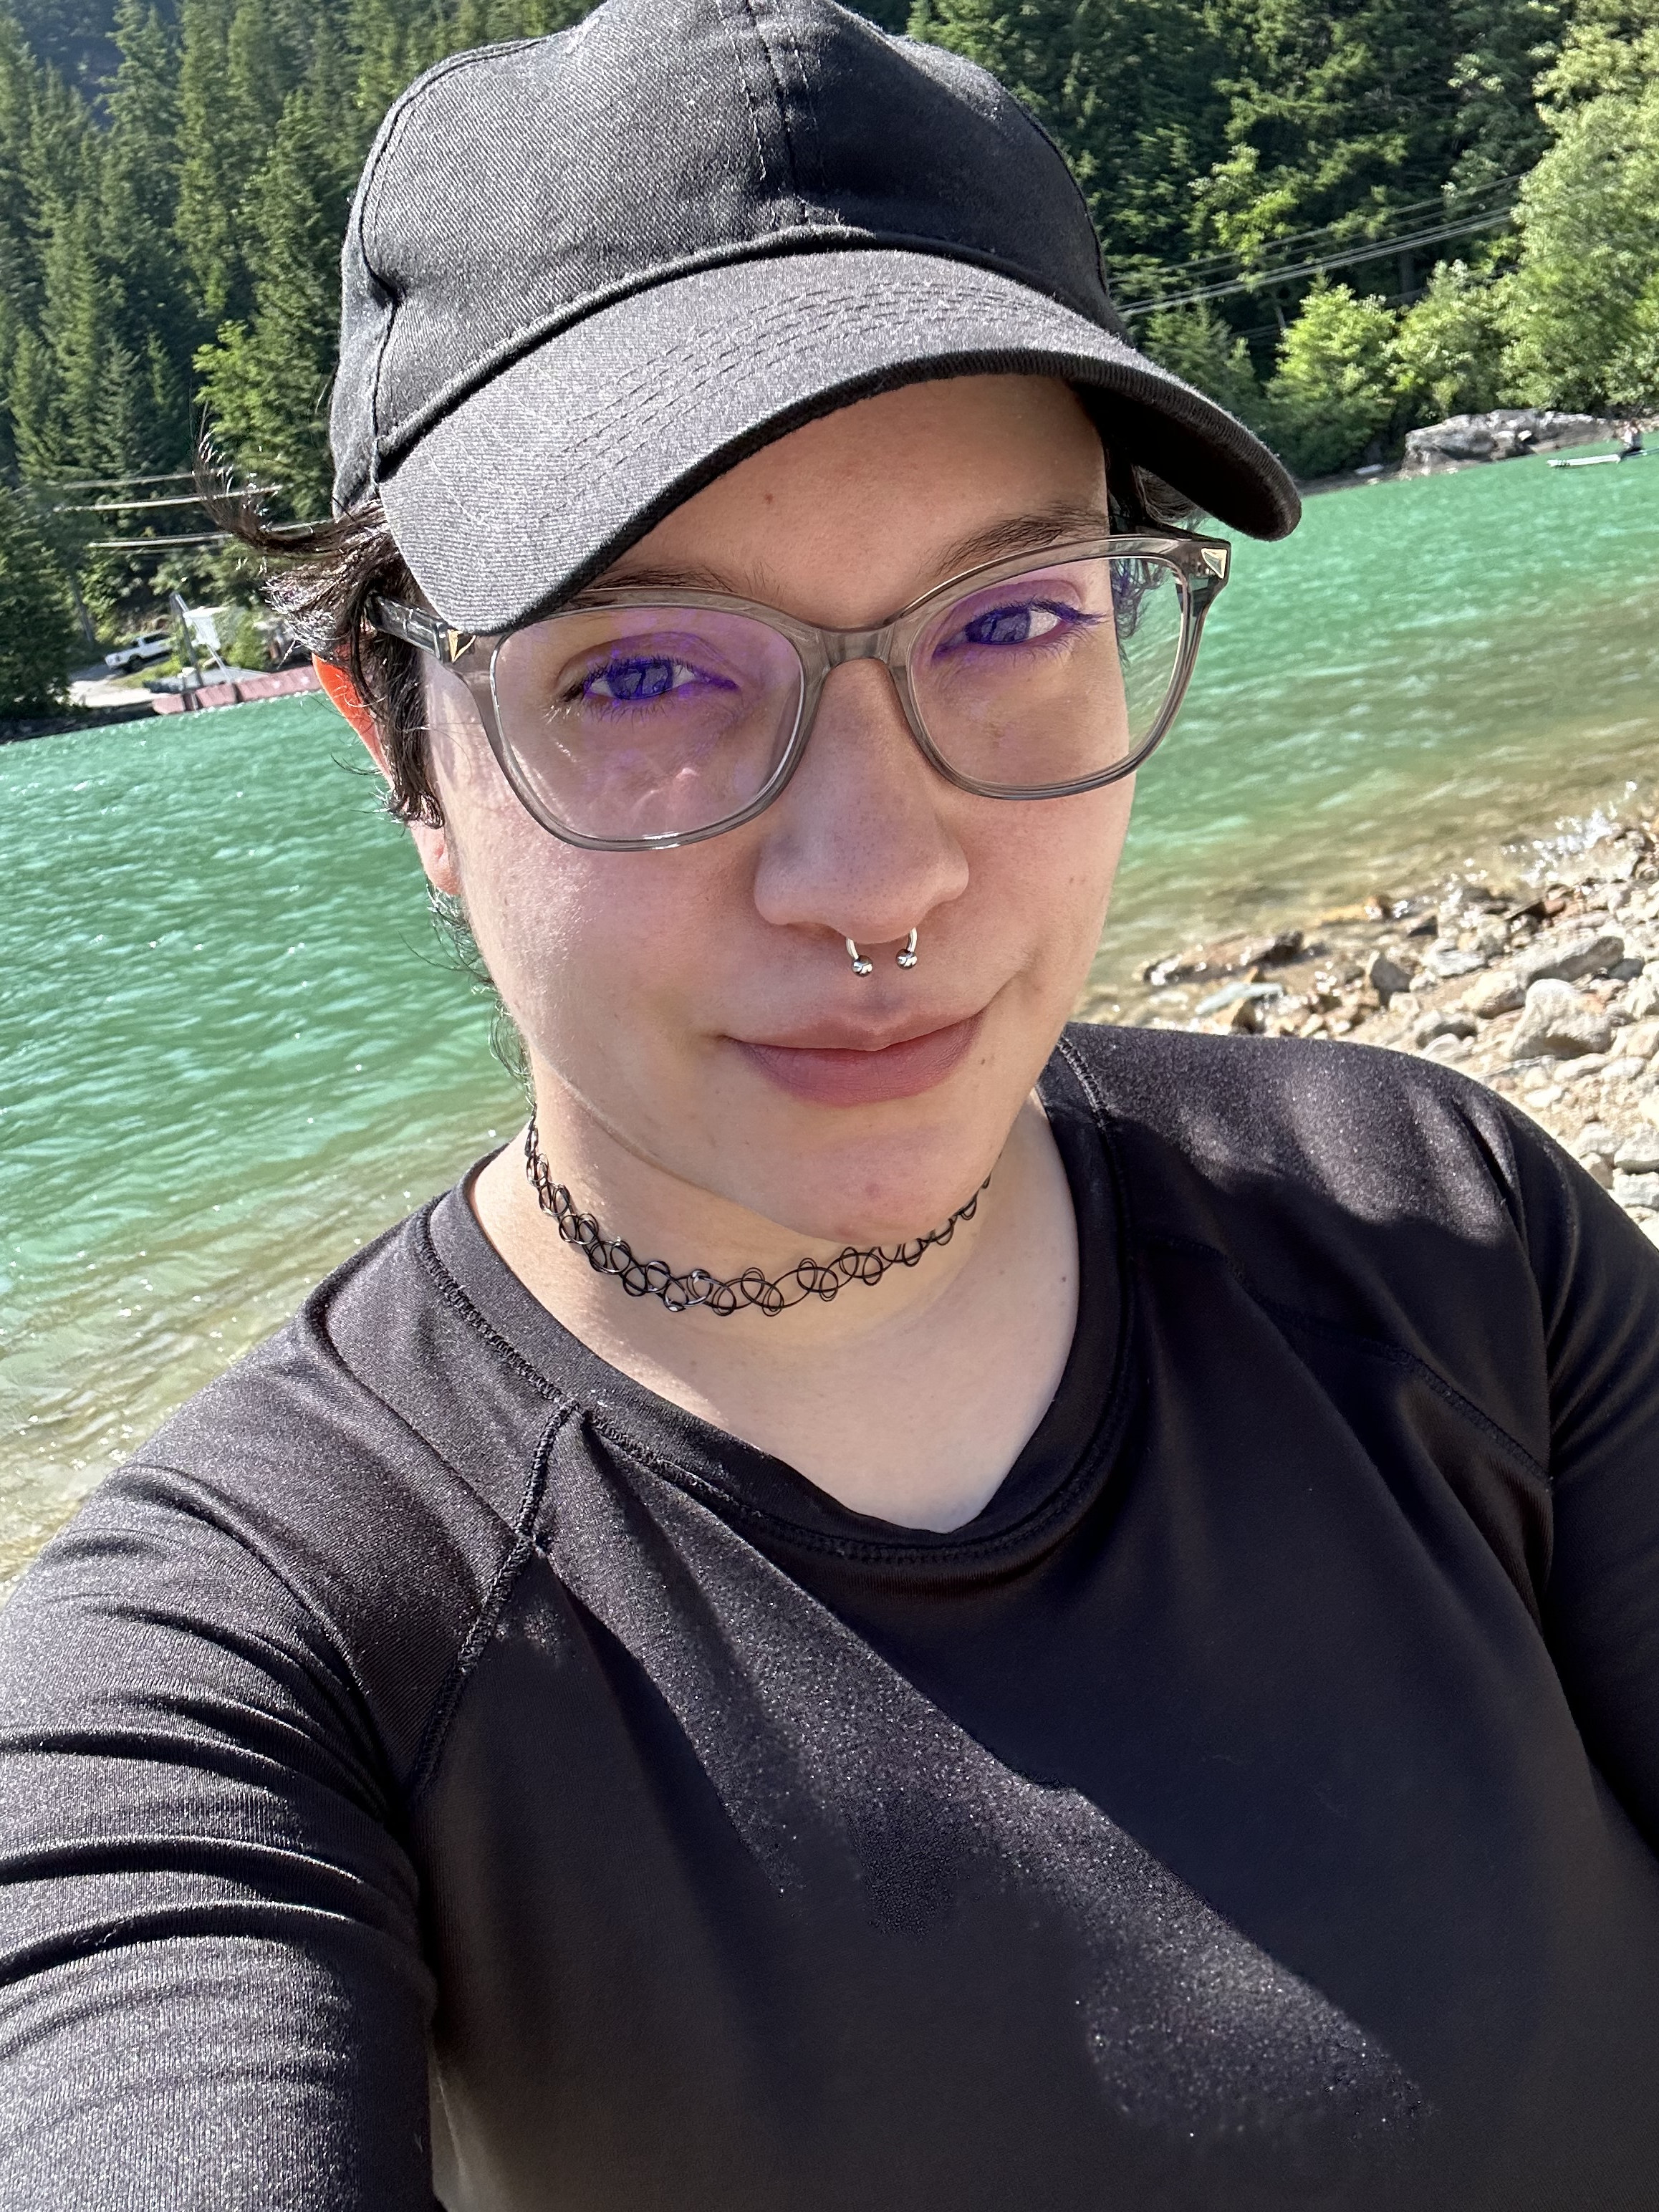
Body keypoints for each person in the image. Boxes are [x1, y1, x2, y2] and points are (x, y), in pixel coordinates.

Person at [3, 1, 1658, 2205]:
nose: (878, 878)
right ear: (396, 747)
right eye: (645, 674)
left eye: (1009, 621)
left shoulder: (1441, 1230)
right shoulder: (238, 1655)